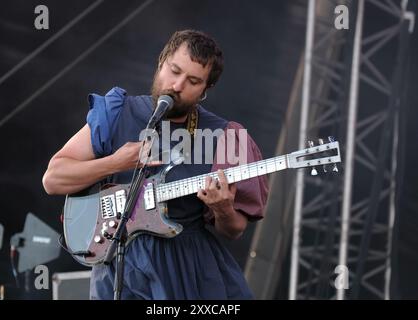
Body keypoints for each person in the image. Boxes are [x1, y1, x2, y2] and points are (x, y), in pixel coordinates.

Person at [42, 29, 268, 300]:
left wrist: (223, 209)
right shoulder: (117, 112)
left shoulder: (225, 137)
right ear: (162, 61)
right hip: (116, 266)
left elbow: (234, 229)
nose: (177, 85)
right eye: (174, 71)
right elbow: (53, 179)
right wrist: (115, 162)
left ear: (205, 91)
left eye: (193, 81)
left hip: (184, 269)